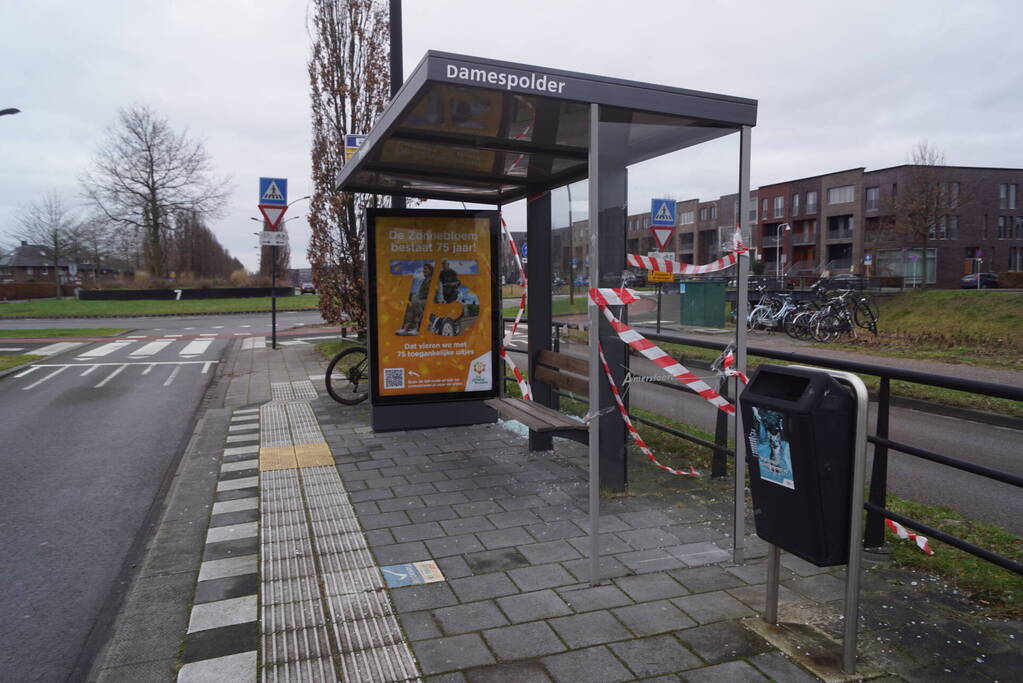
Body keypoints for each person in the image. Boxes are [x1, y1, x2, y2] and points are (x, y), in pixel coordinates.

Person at [397, 262, 434, 336]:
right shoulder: (423, 281)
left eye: (426, 269)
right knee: (411, 303)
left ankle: (417, 328)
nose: (424, 270)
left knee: (417, 304)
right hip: (421, 299)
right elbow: (418, 293)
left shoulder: (433, 280)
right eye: (423, 269)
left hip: (429, 300)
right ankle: (406, 327)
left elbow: (434, 293)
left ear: (430, 270)